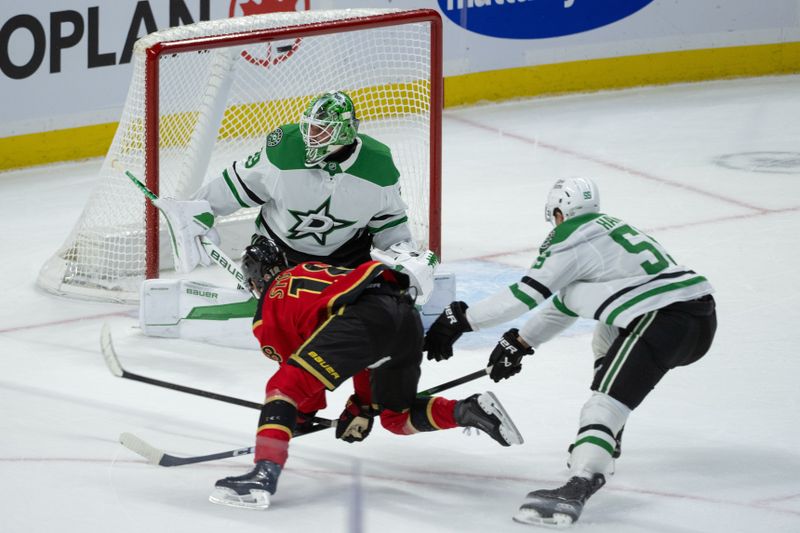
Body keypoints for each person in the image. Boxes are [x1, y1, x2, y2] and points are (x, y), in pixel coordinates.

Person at [423, 177, 717, 527]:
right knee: (605, 334)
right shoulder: (610, 229)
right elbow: (568, 302)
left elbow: (526, 294)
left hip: (662, 317)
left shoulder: (569, 235)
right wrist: (521, 342)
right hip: (699, 315)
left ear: (560, 212)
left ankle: (580, 482)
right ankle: (608, 435)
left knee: (603, 403)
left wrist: (464, 319)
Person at [208, 236, 524, 510]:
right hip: (404, 315)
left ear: (256, 279)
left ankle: (263, 474)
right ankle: (468, 410)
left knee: (283, 386)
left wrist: (298, 418)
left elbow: (303, 385)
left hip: (363, 323)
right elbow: (361, 350)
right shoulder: (314, 269)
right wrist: (361, 405)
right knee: (395, 417)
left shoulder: (268, 309)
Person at [155, 89, 437, 298]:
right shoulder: (285, 149)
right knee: (260, 258)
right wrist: (199, 209)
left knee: (379, 297)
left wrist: (405, 256)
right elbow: (236, 185)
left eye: (322, 131)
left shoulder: (378, 166)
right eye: (310, 128)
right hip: (280, 255)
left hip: (346, 257)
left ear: (345, 133)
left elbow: (390, 226)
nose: (311, 137)